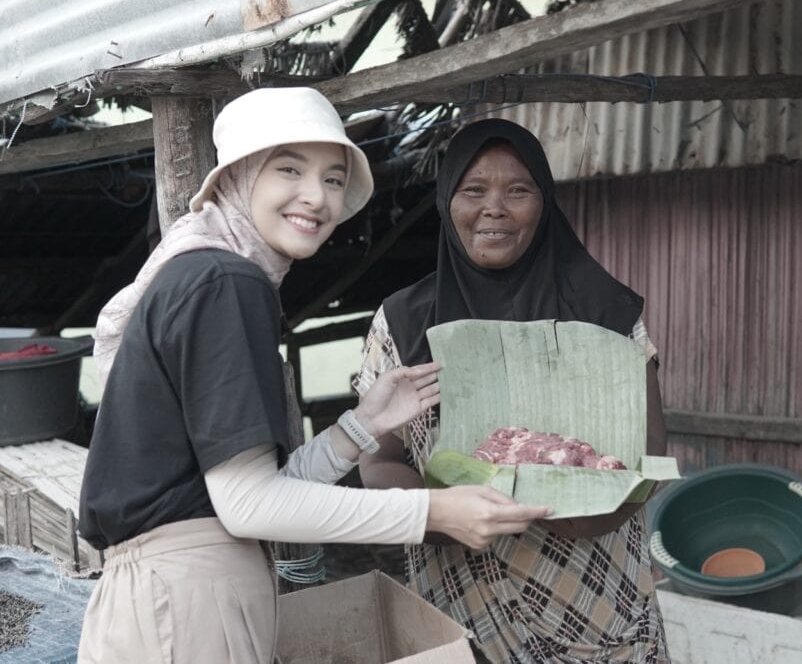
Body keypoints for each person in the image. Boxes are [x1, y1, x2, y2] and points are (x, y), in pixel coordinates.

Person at [77, 89, 550, 664]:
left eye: (332, 178)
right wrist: (433, 511)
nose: (317, 197)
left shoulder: (204, 274)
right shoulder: (228, 283)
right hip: (185, 601)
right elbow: (248, 507)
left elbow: (243, 492)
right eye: (288, 169)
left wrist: (361, 424)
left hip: (170, 595)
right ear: (237, 177)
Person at [356, 119, 670, 663]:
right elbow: (377, 460)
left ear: (544, 203)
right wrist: (438, 514)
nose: (494, 208)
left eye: (518, 190)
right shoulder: (404, 322)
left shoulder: (604, 310)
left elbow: (652, 452)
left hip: (595, 605)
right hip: (458, 602)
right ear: (446, 202)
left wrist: (602, 512)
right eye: (473, 190)